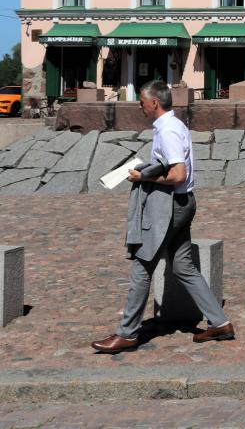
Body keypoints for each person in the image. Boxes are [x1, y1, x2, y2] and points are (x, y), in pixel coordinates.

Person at [92, 80, 234, 354]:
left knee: (142, 267)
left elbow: (177, 175)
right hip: (182, 202)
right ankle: (220, 322)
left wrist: (142, 176)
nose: (140, 105)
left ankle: (127, 334)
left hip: (168, 205)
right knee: (183, 267)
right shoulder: (175, 124)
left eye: (142, 101)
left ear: (154, 102)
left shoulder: (167, 129)